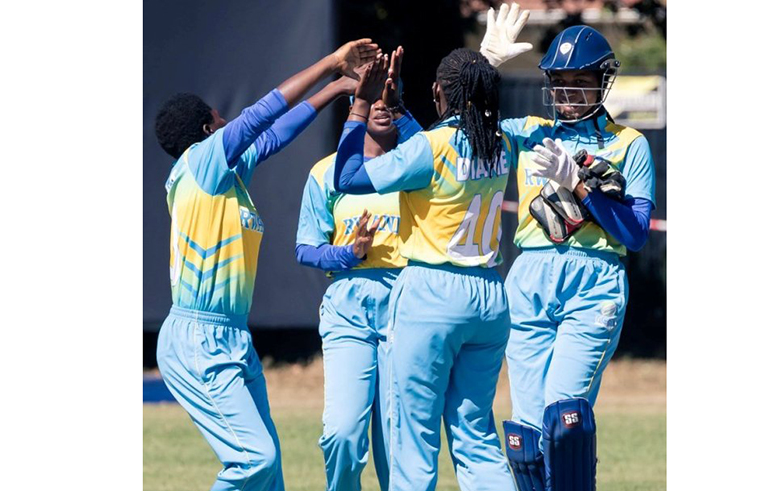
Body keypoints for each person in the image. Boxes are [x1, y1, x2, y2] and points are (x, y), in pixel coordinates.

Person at [153, 39, 379, 491]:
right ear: (207, 129)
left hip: (231, 336)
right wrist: (331, 63)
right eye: (221, 118)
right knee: (254, 460)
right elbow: (263, 114)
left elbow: (276, 133)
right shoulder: (201, 161)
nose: (229, 123)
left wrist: (338, 88)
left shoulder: (224, 176)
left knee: (269, 475)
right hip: (198, 338)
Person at [333, 48, 518, 491]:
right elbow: (441, 147)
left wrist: (361, 105)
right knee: (476, 436)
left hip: (431, 293)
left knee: (412, 440)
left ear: (438, 90)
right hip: (488, 294)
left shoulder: (431, 146)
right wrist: (398, 109)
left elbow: (348, 177)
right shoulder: (500, 141)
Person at [490, 23, 657, 491]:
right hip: (529, 278)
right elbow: (458, 136)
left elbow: (635, 233)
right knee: (526, 434)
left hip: (594, 280)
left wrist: (580, 186)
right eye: (559, 81)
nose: (567, 91)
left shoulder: (630, 143)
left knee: (563, 421)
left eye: (579, 80)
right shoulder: (529, 133)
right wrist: (483, 70)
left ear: (603, 81)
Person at [294, 47, 423, 491]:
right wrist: (349, 253)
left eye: (391, 93)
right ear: (356, 103)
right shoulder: (326, 172)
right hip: (348, 310)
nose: (382, 105)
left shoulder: (418, 166)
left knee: (397, 445)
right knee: (343, 434)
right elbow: (306, 249)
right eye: (372, 95)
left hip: (408, 307)